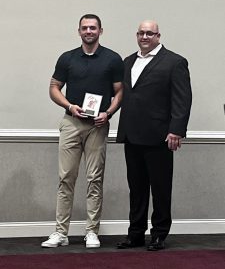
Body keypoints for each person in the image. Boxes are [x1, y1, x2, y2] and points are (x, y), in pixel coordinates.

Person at [41, 14, 124, 248]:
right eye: (85, 28)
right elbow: (54, 87)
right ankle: (60, 233)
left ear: (101, 31)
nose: (89, 31)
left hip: (97, 126)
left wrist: (108, 113)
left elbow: (119, 91)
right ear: (79, 31)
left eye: (93, 28)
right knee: (66, 178)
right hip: (71, 123)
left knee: (94, 179)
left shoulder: (112, 59)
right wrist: (69, 106)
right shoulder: (67, 58)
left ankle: (91, 232)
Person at [116, 20, 192, 251]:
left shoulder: (174, 62)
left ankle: (159, 234)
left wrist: (176, 129)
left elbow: (182, 99)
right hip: (132, 134)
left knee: (160, 188)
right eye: (141, 33)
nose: (145, 36)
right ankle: (135, 234)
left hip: (160, 135)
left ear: (158, 35)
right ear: (136, 35)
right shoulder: (128, 61)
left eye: (150, 33)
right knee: (136, 188)